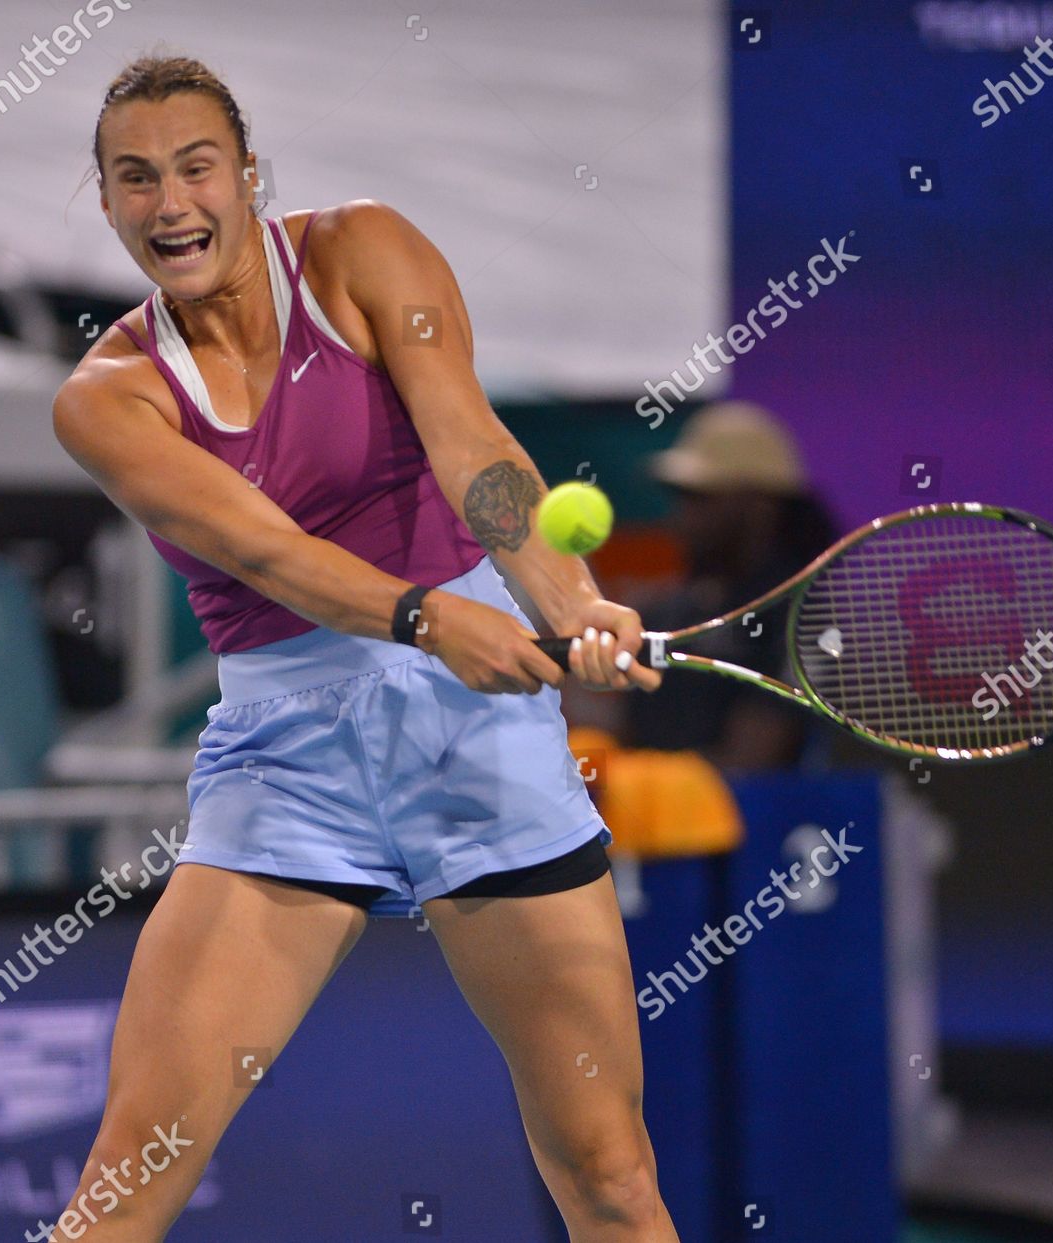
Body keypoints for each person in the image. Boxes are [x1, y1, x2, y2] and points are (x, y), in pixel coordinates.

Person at [47, 55, 681, 1242]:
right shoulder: (106, 398)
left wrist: (566, 595)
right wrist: (436, 619)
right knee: (127, 1182)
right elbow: (269, 552)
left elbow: (472, 445)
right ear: (107, 203)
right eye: (137, 180)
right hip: (288, 763)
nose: (171, 203)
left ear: (248, 175)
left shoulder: (365, 253)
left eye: (196, 168)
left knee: (608, 1171)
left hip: (482, 743)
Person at [564, 402, 838, 773]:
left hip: (763, 827)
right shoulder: (660, 613)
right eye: (680, 498)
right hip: (648, 823)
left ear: (760, 506)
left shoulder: (803, 619)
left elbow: (752, 763)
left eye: (701, 498)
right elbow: (626, 735)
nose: (681, 517)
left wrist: (640, 787)